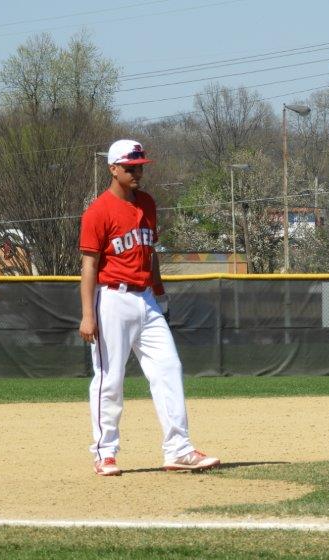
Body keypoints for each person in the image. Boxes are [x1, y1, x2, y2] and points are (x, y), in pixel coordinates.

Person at [78, 139, 220, 476]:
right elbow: (89, 265)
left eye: (140, 166)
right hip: (111, 298)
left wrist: (160, 294)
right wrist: (87, 314)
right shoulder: (98, 211)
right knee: (110, 380)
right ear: (113, 168)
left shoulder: (147, 204)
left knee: (169, 368)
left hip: (146, 298)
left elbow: (150, 253)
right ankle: (105, 453)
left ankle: (178, 449)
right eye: (130, 166)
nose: (137, 171)